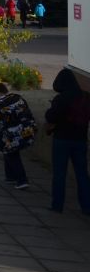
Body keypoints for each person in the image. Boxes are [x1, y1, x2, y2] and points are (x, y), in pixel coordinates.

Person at [44, 69, 90, 214]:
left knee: (59, 174)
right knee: (82, 174)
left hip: (62, 139)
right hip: (80, 139)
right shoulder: (85, 97)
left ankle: (57, 205)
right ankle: (87, 206)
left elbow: (51, 117)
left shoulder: (61, 98)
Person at [0, 82, 37, 190]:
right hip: (28, 129)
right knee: (9, 151)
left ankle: (22, 180)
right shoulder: (18, 98)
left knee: (11, 154)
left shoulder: (0, 104)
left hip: (13, 133)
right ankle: (10, 176)